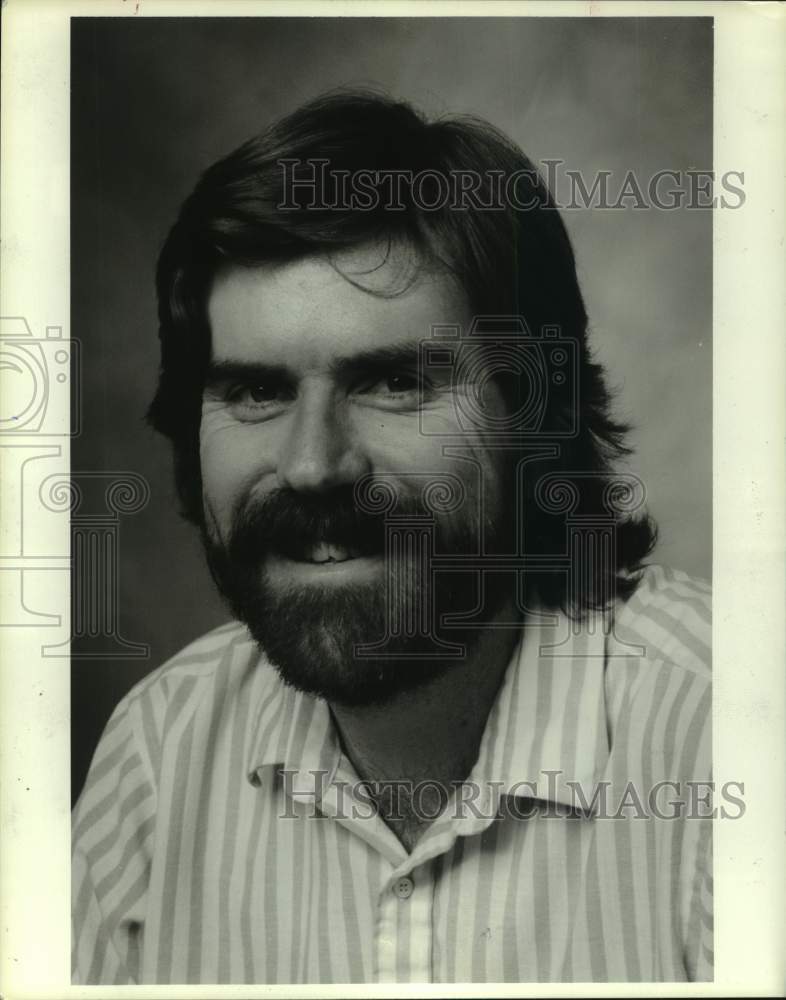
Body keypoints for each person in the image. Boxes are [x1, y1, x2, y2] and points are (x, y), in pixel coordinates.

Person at [71, 91, 712, 984]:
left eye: (395, 381)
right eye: (256, 392)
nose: (310, 465)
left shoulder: (726, 733)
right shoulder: (161, 747)